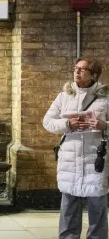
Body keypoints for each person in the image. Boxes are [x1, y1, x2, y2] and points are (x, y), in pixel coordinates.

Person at [43, 58, 109, 239]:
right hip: (69, 163)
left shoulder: (105, 98)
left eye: (83, 69)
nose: (77, 72)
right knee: (69, 211)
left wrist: (104, 125)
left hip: (95, 162)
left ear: (94, 74)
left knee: (98, 212)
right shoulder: (64, 96)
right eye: (75, 68)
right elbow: (47, 122)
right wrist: (67, 123)